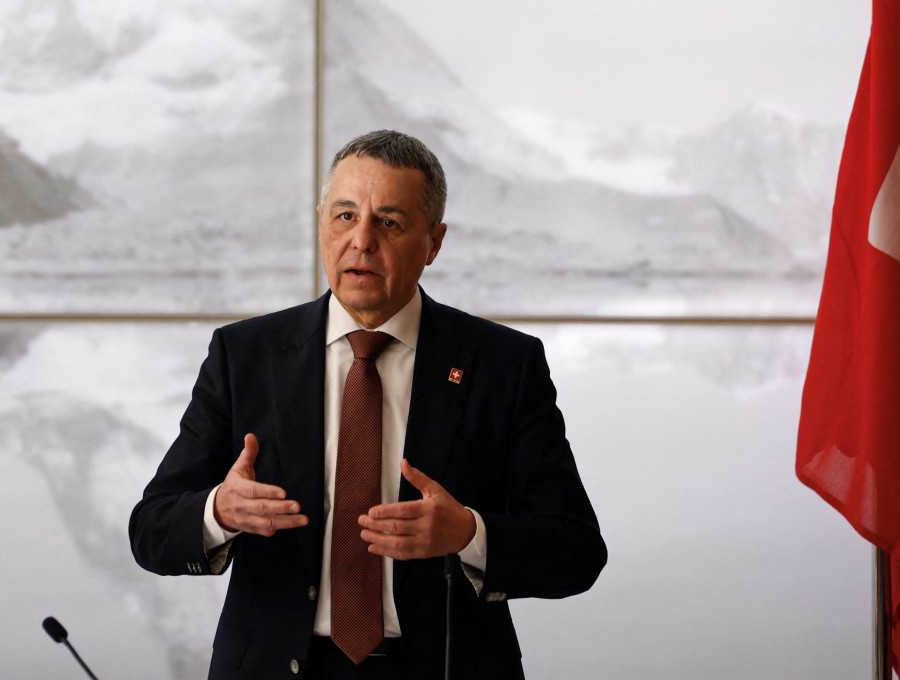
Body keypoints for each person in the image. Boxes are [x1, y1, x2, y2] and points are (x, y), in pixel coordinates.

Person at [129, 130, 606, 680]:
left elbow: (576, 550)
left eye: (390, 222)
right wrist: (220, 512)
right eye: (344, 216)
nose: (361, 241)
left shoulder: (503, 364)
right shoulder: (246, 355)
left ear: (434, 241)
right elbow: (151, 530)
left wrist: (469, 534)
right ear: (320, 222)